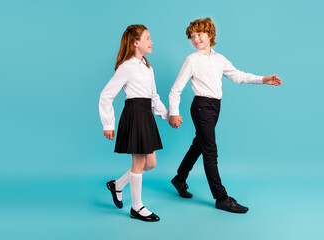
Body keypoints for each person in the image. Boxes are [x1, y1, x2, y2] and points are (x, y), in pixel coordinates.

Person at [168, 17, 282, 214]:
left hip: (215, 106)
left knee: (200, 145)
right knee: (210, 151)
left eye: (200, 34)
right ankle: (221, 198)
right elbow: (175, 90)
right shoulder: (191, 60)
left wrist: (263, 79)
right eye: (192, 36)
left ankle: (179, 178)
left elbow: (238, 76)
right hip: (201, 106)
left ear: (210, 35)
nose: (196, 39)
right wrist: (174, 113)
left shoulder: (220, 59)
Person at [99, 24, 177, 222]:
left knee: (150, 163)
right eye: (148, 38)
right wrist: (108, 124)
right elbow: (106, 96)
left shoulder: (148, 67)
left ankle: (117, 185)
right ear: (136, 43)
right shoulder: (126, 67)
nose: (152, 42)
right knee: (138, 162)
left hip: (146, 114)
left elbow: (153, 97)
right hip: (134, 115)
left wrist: (168, 115)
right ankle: (136, 207)